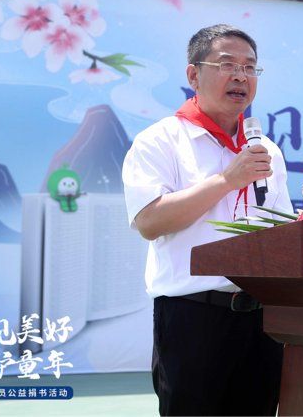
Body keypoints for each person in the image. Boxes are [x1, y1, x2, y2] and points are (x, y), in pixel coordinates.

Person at [122, 24, 293, 416]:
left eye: (250, 67)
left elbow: (282, 231)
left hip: (262, 321)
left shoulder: (266, 150)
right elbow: (149, 221)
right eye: (227, 65)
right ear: (193, 75)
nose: (241, 77)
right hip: (193, 318)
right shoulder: (160, 140)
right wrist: (226, 180)